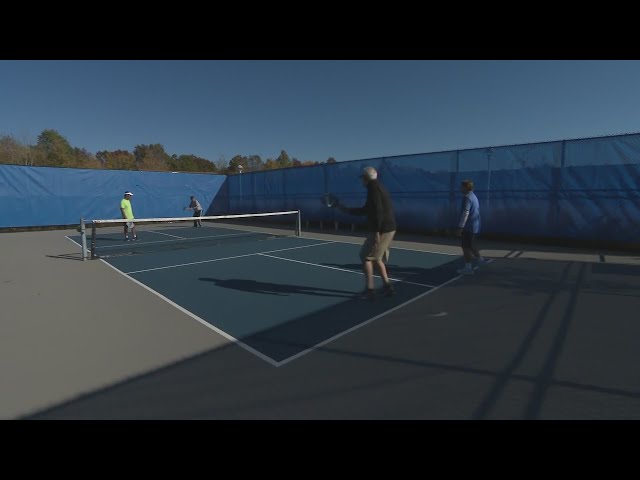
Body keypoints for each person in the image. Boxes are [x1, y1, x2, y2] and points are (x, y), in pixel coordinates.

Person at [338, 166, 396, 300]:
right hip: (389, 228)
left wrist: (376, 232)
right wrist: (347, 210)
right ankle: (388, 287)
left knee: (365, 257)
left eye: (362, 178)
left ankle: (369, 290)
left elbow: (378, 211)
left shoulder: (373, 189)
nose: (361, 181)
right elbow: (368, 209)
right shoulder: (380, 187)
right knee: (377, 258)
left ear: (365, 178)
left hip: (381, 229)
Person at [456, 180, 488, 275]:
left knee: (465, 247)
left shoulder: (467, 197)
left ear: (466, 187)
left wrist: (460, 227)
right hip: (474, 226)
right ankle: (480, 260)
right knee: (471, 246)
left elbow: (466, 213)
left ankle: (468, 268)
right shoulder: (473, 196)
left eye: (461, 187)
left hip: (469, 227)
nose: (460, 188)